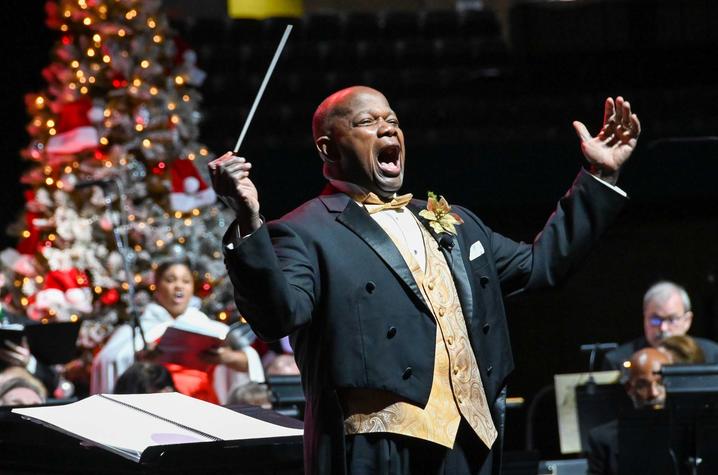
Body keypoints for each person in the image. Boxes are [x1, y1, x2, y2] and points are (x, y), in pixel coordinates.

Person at [209, 86, 640, 474]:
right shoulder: (304, 230)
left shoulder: (452, 219)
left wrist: (598, 178)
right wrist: (249, 220)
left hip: (470, 439)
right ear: (329, 148)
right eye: (367, 122)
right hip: (376, 447)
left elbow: (540, 265)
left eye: (392, 121)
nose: (387, 129)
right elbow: (278, 317)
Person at [91, 258, 263, 403]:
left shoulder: (209, 327)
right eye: (171, 280)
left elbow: (250, 363)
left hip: (203, 403)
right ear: (157, 287)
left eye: (186, 281)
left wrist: (225, 357)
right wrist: (140, 357)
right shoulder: (137, 329)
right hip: (154, 402)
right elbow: (107, 360)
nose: (179, 286)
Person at [587, 348, 670, 475]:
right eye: (643, 385)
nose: (653, 393)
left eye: (660, 383)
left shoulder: (688, 432)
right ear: (629, 388)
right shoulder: (603, 439)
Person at [602, 281, 718, 370]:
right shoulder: (617, 361)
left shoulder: (711, 355)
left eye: (672, 319)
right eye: (655, 320)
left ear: (687, 320)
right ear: (644, 318)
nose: (663, 328)